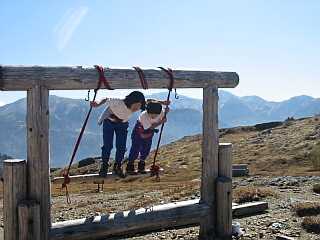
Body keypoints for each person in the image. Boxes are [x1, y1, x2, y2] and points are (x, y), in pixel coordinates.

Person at [90, 91, 146, 177]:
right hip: (109, 122)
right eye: (136, 105)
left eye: (139, 106)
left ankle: (117, 166)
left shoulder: (136, 106)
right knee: (107, 146)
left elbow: (149, 100)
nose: (137, 108)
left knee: (121, 147)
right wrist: (97, 104)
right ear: (131, 101)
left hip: (122, 124)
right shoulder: (119, 102)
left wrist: (162, 103)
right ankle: (104, 165)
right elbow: (105, 99)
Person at [126, 100, 170, 174]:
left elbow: (166, 109)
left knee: (146, 148)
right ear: (147, 112)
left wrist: (166, 110)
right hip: (139, 130)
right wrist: (161, 122)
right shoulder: (144, 116)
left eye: (156, 115)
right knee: (135, 148)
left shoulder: (160, 112)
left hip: (149, 133)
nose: (153, 116)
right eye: (151, 115)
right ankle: (130, 166)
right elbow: (150, 127)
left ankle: (141, 165)